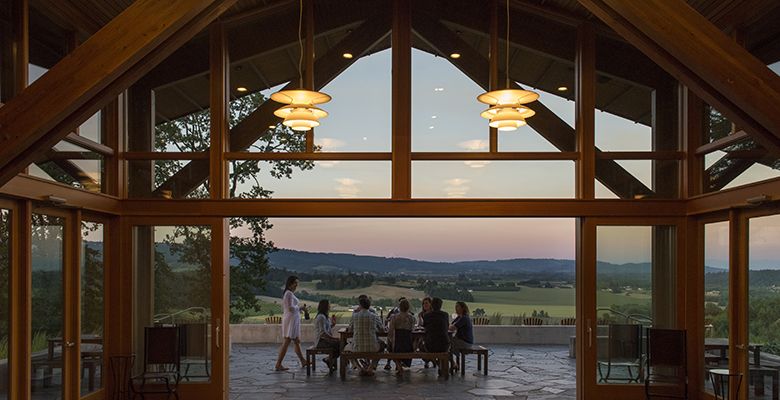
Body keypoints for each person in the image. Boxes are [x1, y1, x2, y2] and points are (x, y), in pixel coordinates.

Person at [274, 276, 309, 371]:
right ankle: (278, 364)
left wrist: (299, 310)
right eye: (295, 283)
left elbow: (291, 308)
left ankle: (303, 361)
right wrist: (300, 308)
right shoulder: (289, 294)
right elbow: (290, 308)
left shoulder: (289, 294)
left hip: (292, 319)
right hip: (291, 321)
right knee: (287, 341)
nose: (296, 285)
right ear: (290, 283)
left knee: (297, 341)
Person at [345, 295, 386, 376]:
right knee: (383, 346)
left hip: (357, 347)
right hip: (373, 347)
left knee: (345, 349)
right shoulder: (374, 316)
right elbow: (382, 329)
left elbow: (350, 330)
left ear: (360, 305)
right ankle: (371, 367)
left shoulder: (354, 316)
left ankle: (359, 368)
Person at [387, 298, 415, 374]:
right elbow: (412, 330)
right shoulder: (412, 318)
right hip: (408, 345)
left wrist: (391, 340)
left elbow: (390, 332)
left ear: (399, 307)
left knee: (389, 347)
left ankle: (399, 366)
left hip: (397, 346)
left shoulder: (394, 317)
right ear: (408, 307)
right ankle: (403, 364)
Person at [313, 299, 340, 372]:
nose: (330, 306)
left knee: (341, 344)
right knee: (340, 344)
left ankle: (330, 359)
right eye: (329, 305)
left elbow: (326, 329)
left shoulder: (325, 317)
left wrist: (333, 324)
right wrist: (333, 339)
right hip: (320, 341)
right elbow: (323, 333)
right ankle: (329, 359)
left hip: (324, 340)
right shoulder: (321, 317)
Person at [449, 301, 474, 372]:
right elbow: (451, 325)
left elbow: (451, 328)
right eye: (455, 307)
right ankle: (453, 363)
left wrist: (450, 326)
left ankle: (453, 364)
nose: (456, 308)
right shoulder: (459, 317)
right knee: (447, 344)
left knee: (446, 344)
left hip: (466, 343)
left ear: (463, 308)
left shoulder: (464, 318)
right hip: (461, 341)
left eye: (458, 307)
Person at [415, 297, 433, 367]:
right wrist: (420, 318)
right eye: (423, 304)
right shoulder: (422, 314)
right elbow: (420, 325)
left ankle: (428, 360)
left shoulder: (433, 314)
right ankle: (427, 360)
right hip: (423, 333)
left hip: (430, 335)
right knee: (417, 341)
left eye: (426, 303)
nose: (425, 305)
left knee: (420, 343)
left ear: (430, 304)